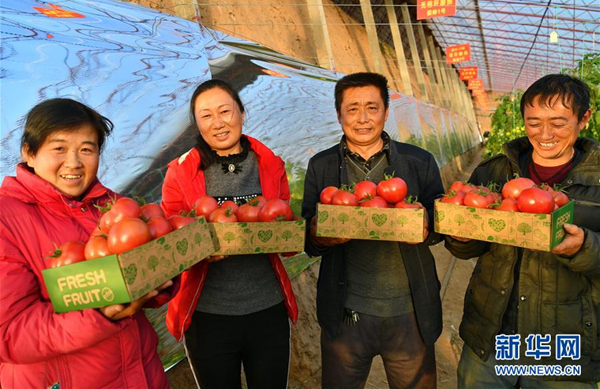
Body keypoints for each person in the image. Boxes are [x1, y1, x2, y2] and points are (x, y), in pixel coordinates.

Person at [0, 98, 173, 388]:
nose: (74, 162)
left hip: (142, 374)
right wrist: (99, 314)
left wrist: (164, 275)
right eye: (59, 148)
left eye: (86, 150)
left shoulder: (113, 205)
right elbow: (10, 333)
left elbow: (139, 282)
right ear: (29, 153)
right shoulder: (6, 219)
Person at [446, 74, 600, 387]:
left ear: (584, 118)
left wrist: (584, 247)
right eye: (533, 122)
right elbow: (469, 246)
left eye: (558, 122)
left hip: (563, 345)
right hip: (490, 335)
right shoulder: (495, 172)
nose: (545, 134)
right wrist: (460, 236)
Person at [301, 72, 444, 389]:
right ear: (339, 114)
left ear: (386, 112)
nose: (362, 119)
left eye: (372, 107)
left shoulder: (419, 162)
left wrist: (427, 226)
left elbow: (440, 220)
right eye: (352, 109)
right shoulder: (321, 166)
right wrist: (318, 235)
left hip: (409, 314)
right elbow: (309, 238)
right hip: (346, 315)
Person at [161, 79, 298, 389]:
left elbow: (287, 236)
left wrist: (287, 231)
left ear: (242, 113)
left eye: (225, 111)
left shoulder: (270, 164)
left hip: (267, 308)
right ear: (196, 124)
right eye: (206, 115)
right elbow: (171, 241)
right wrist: (197, 248)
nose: (218, 123)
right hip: (208, 315)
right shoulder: (179, 174)